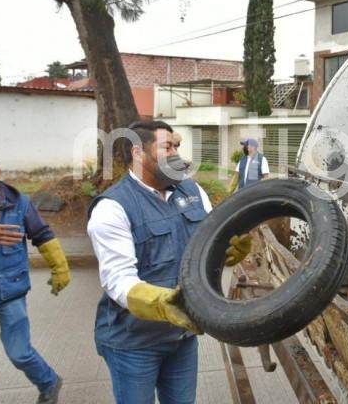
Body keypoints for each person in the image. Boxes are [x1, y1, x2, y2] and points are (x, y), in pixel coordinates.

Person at [86, 121, 250, 404]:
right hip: (133, 343)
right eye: (167, 147)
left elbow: (205, 247)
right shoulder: (112, 207)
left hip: (181, 338)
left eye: (177, 146)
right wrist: (164, 304)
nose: (176, 153)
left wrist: (226, 252)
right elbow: (118, 280)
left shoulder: (192, 191)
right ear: (138, 153)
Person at [0, 149, 69, 404]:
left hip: (11, 292)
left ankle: (49, 382)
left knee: (19, 353)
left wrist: (60, 267)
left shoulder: (19, 202)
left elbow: (41, 234)